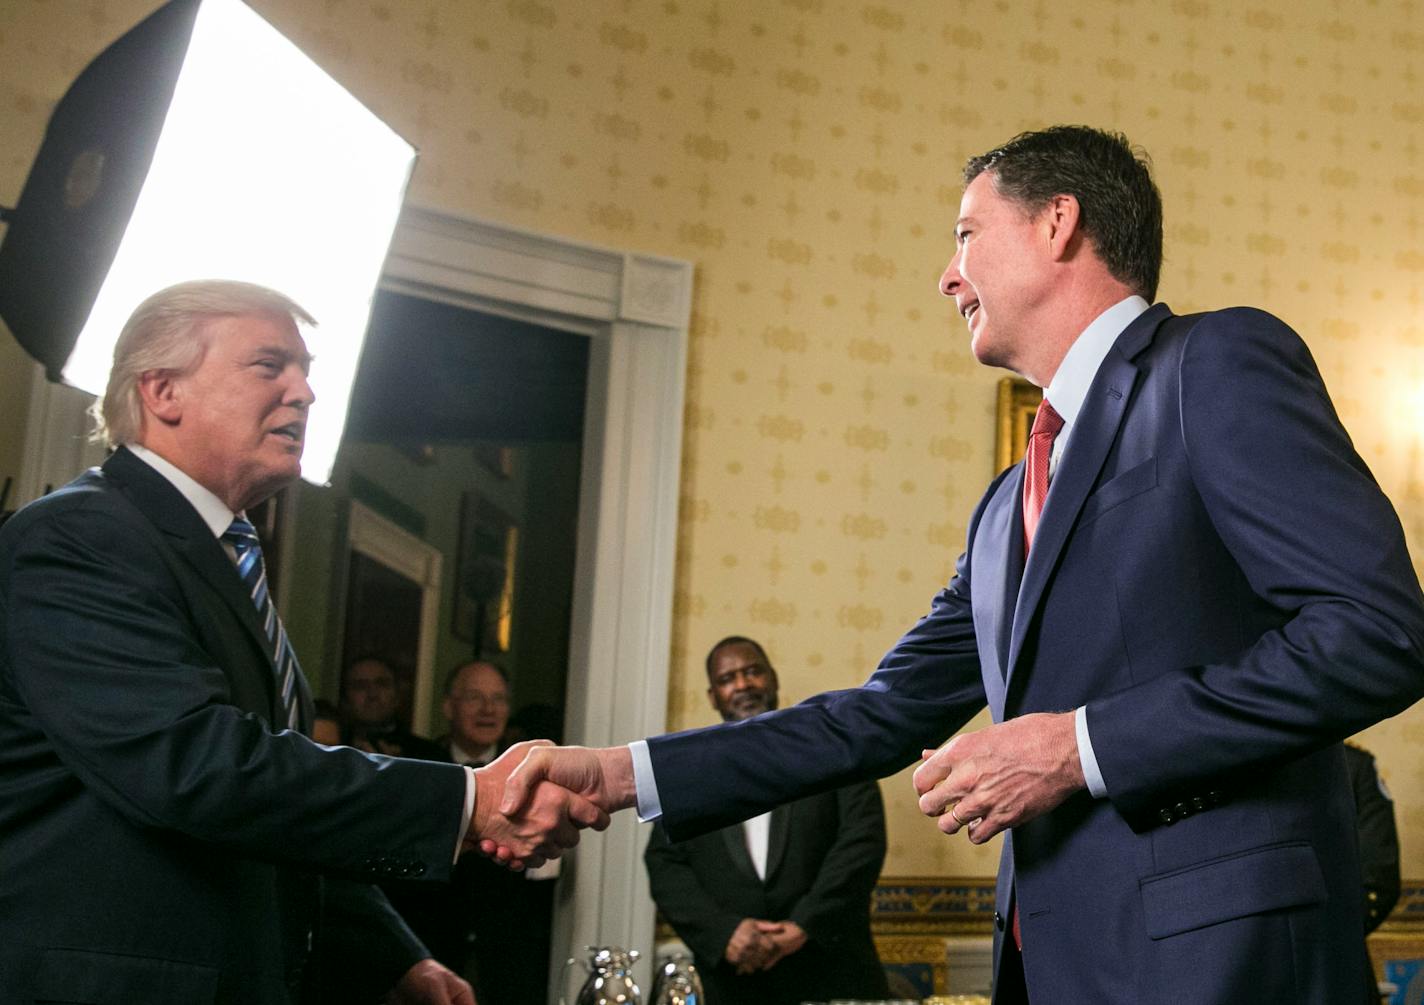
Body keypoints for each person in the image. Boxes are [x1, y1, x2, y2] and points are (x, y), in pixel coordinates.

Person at [498, 126, 1424, 1003]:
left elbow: (1377, 633)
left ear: (1058, 222)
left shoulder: (1214, 362)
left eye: (966, 234)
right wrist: (619, 774)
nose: (948, 276)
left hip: (1225, 964)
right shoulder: (999, 511)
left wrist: (1079, 747)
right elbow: (873, 715)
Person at [0, 280, 606, 1005]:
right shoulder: (79, 537)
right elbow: (196, 768)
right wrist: (467, 800)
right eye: (270, 365)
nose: (306, 392)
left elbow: (273, 820)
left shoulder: (221, 551)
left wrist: (390, 957)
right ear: (163, 390)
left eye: (307, 368)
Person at [644, 636, 889, 1005]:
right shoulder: (690, 773)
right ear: (713, 696)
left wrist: (804, 925)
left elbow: (862, 841)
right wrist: (725, 932)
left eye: (753, 672)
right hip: (729, 984)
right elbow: (664, 863)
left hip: (831, 974)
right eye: (728, 679)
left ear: (772, 679)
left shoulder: (833, 750)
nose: (742, 684)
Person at [341, 655, 447, 761]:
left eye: (382, 684)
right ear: (346, 698)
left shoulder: (429, 755)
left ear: (397, 695)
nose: (372, 694)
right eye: (361, 686)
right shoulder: (333, 748)